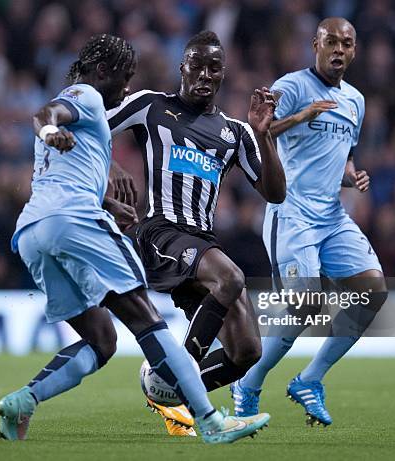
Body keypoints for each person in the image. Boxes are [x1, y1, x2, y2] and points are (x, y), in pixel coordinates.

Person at [0, 34, 270, 444]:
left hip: (33, 232)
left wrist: (105, 188)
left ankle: (24, 400)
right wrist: (54, 133)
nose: (125, 90)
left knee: (102, 339)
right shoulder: (88, 95)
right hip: (106, 226)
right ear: (104, 72)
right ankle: (205, 417)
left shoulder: (232, 132)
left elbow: (66, 161)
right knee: (148, 322)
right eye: (123, 80)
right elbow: (46, 115)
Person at [108, 30, 285, 435]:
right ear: (182, 68)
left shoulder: (236, 132)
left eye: (214, 68)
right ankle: (174, 378)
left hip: (201, 245)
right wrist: (111, 168)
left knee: (247, 351)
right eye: (197, 66)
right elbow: (93, 131)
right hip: (161, 233)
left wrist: (263, 135)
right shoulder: (150, 106)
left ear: (223, 76)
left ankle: (170, 398)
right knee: (231, 277)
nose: (205, 74)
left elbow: (275, 193)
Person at [230, 18, 388, 426]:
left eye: (347, 43)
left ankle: (309, 379)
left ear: (355, 50)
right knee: (307, 304)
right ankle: (248, 381)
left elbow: (342, 154)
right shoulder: (293, 86)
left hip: (332, 215)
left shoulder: (356, 100)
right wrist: (301, 115)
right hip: (293, 213)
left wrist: (352, 175)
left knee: (372, 289)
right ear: (315, 44)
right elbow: (257, 131)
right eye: (331, 41)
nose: (339, 49)